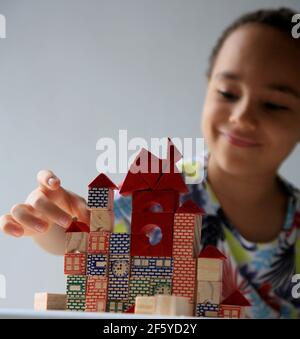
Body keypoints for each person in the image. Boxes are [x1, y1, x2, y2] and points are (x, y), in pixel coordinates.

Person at [1, 8, 300, 318]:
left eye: (274, 105)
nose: (242, 117)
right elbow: (84, 236)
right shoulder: (162, 185)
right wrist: (48, 223)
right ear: (208, 87)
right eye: (227, 92)